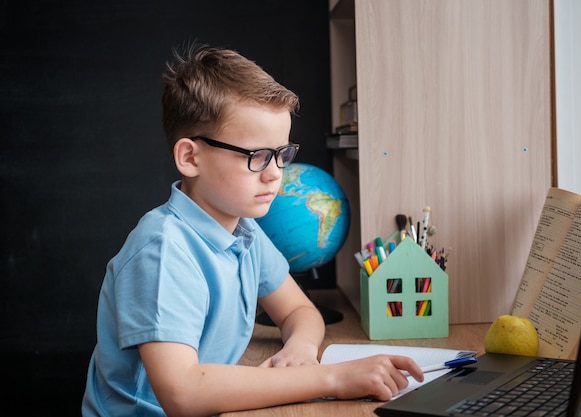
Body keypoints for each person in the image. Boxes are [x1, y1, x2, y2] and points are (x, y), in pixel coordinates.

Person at [82, 43, 424, 417]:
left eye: (282, 153)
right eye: (256, 156)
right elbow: (182, 393)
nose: (276, 172)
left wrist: (300, 350)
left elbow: (298, 310)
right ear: (190, 157)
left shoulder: (243, 232)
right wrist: (333, 378)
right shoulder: (163, 250)